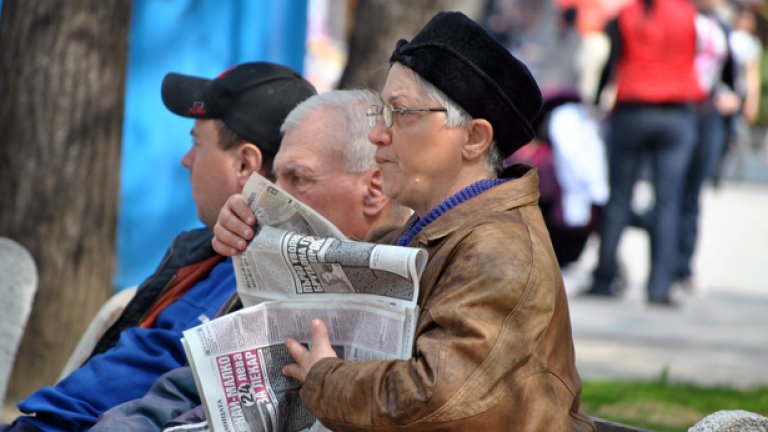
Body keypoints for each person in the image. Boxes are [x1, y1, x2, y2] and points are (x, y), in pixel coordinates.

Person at [215, 11, 595, 431]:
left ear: (474, 138)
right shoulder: (419, 234)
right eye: (381, 112)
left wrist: (325, 378)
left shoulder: (500, 251)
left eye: (400, 113)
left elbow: (435, 396)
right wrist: (257, 240)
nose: (378, 133)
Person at [1, 62, 316, 432]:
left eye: (197, 144)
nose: (186, 160)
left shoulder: (275, 294)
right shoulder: (199, 254)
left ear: (245, 164)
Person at [89, 89, 410, 431]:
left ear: (374, 190)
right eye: (276, 178)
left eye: (299, 178)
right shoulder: (253, 261)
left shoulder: (424, 283)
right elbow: (185, 393)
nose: (276, 197)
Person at [586, 0, 706, 305]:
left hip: (633, 109)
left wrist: (599, 100)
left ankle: (604, 278)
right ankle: (659, 288)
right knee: (669, 201)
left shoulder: (626, 15)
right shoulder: (687, 14)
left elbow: (612, 63)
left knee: (619, 196)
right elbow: (694, 56)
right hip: (677, 113)